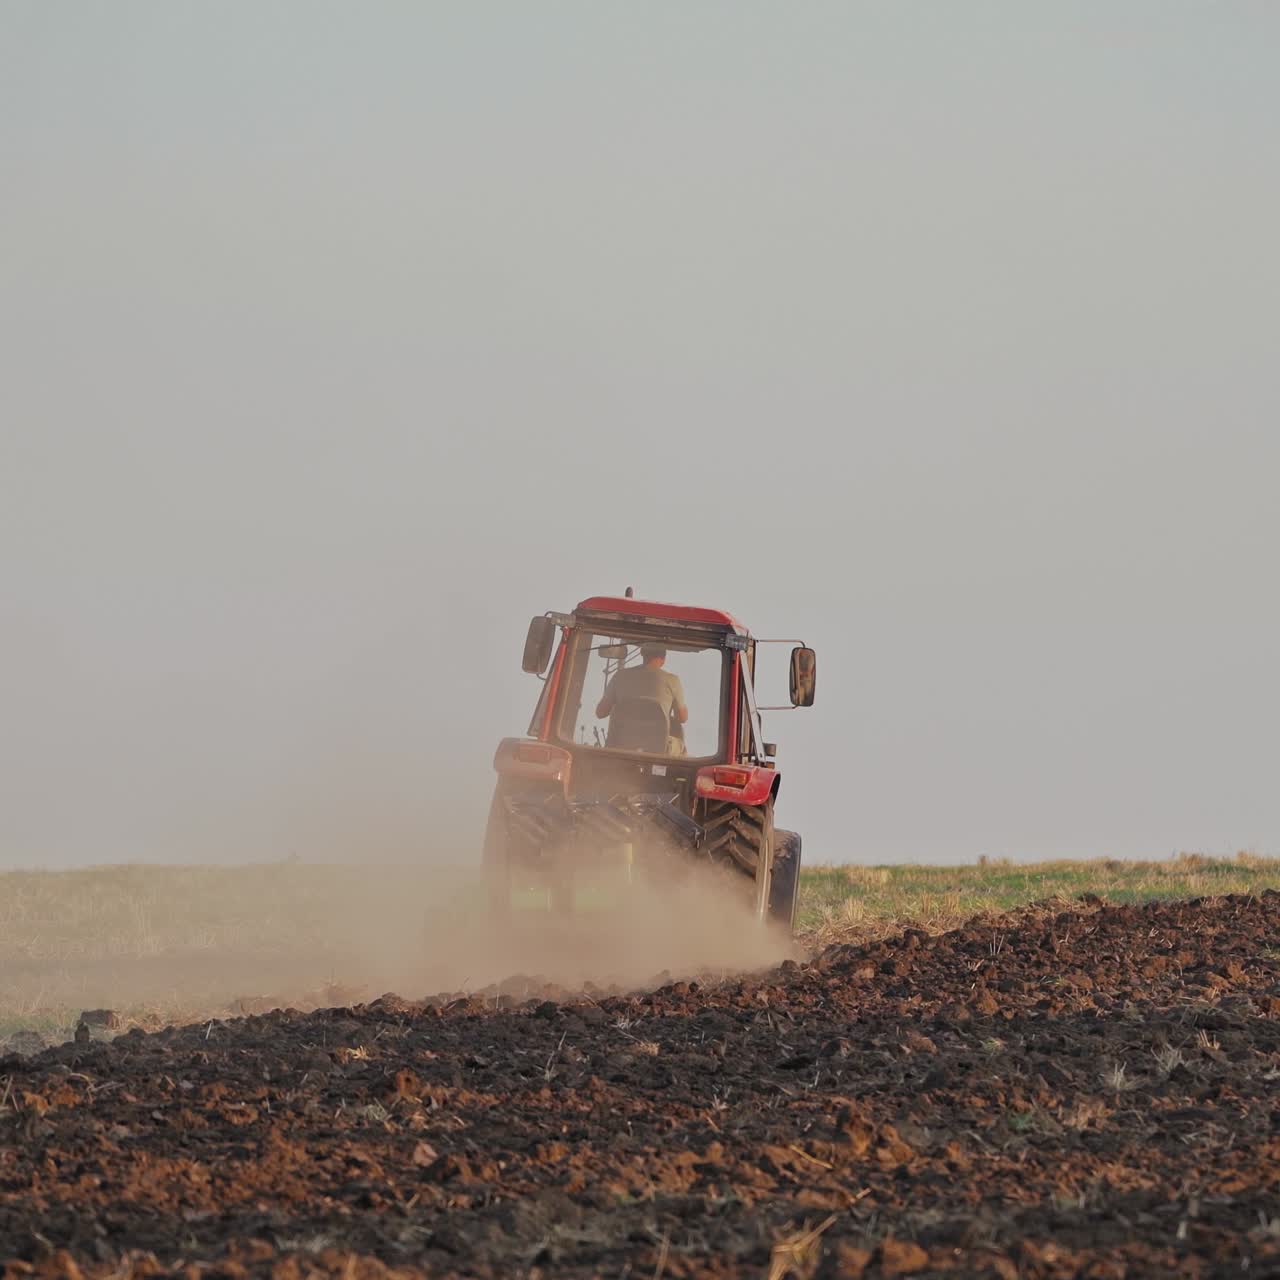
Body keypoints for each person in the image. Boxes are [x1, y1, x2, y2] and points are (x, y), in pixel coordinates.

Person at [595, 644, 688, 755]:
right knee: (681, 747)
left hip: (620, 744)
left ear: (642, 653)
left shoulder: (620, 675)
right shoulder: (672, 680)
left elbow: (600, 713)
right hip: (658, 747)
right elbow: (682, 718)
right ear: (663, 659)